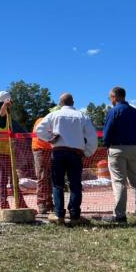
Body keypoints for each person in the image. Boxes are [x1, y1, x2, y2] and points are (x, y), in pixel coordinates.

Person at [35, 94, 98, 225]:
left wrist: (49, 138)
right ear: (73, 103)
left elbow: (39, 129)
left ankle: (59, 215)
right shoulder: (82, 116)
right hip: (76, 154)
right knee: (75, 185)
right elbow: (92, 136)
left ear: (60, 104)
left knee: (57, 184)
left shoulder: (54, 115)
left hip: (58, 153)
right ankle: (75, 216)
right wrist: (87, 152)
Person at [102, 87, 136, 223]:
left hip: (117, 149)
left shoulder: (114, 111)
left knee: (119, 182)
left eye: (110, 98)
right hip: (133, 148)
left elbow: (108, 132)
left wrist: (107, 146)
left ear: (114, 97)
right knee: (135, 181)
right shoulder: (135, 112)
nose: (110, 100)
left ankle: (120, 215)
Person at [0, 91, 29, 210]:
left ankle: (3, 204)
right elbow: (1, 114)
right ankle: (20, 204)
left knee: (2, 178)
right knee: (13, 179)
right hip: (4, 151)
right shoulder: (0, 114)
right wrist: (5, 106)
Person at [31, 107, 60, 214]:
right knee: (42, 177)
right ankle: (42, 203)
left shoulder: (56, 125)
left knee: (50, 177)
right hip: (40, 150)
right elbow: (40, 136)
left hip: (51, 151)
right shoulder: (41, 121)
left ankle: (49, 202)